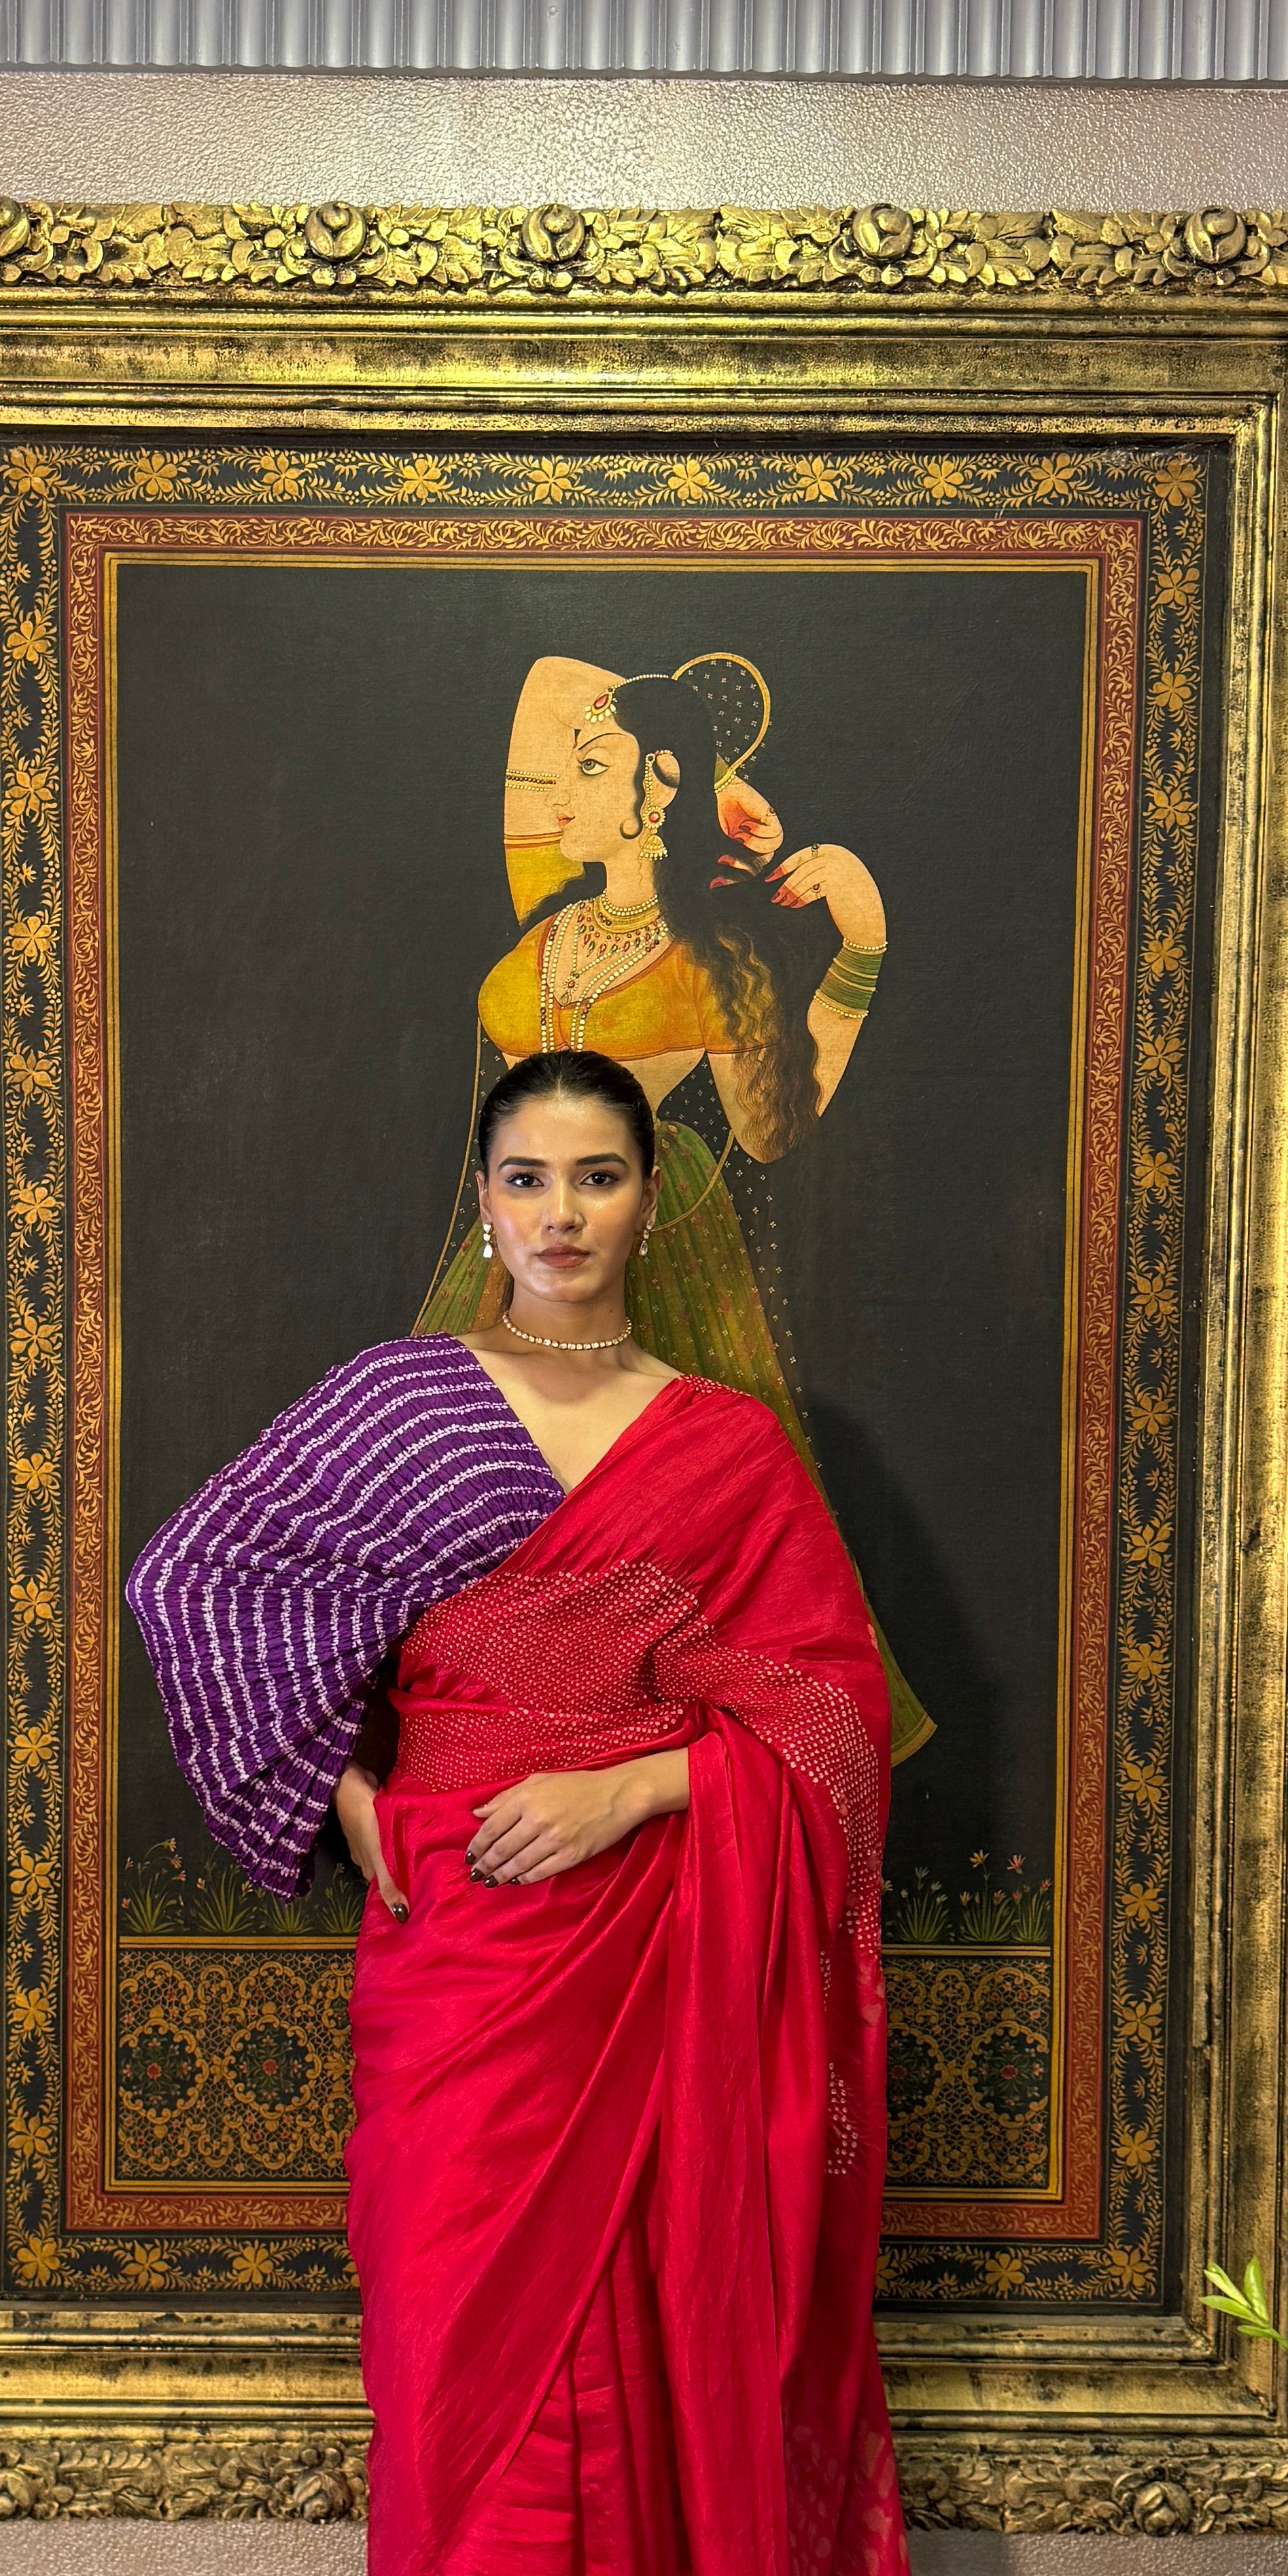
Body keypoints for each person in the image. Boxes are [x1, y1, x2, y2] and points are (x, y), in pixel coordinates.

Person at [126, 1046, 1006, 2576]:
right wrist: (343, 1791)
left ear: (651, 1204)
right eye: (523, 1175)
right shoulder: (396, 1410)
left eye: (598, 1175)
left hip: (662, 1977)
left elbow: (819, 1716)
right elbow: (195, 1586)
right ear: (483, 1196)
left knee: (656, 2418)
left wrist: (637, 1789)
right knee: (472, 2450)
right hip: (461, 2001)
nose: (559, 1212)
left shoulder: (727, 1451)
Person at [416, 652, 933, 1761]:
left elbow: (770, 1130)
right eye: (563, 770)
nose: (563, 797)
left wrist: (864, 947)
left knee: (676, 1546)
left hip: (667, 1244)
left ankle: (646, 1762)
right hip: (510, 1262)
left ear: (659, 787)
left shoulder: (717, 954)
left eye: (592, 769)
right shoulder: (538, 941)